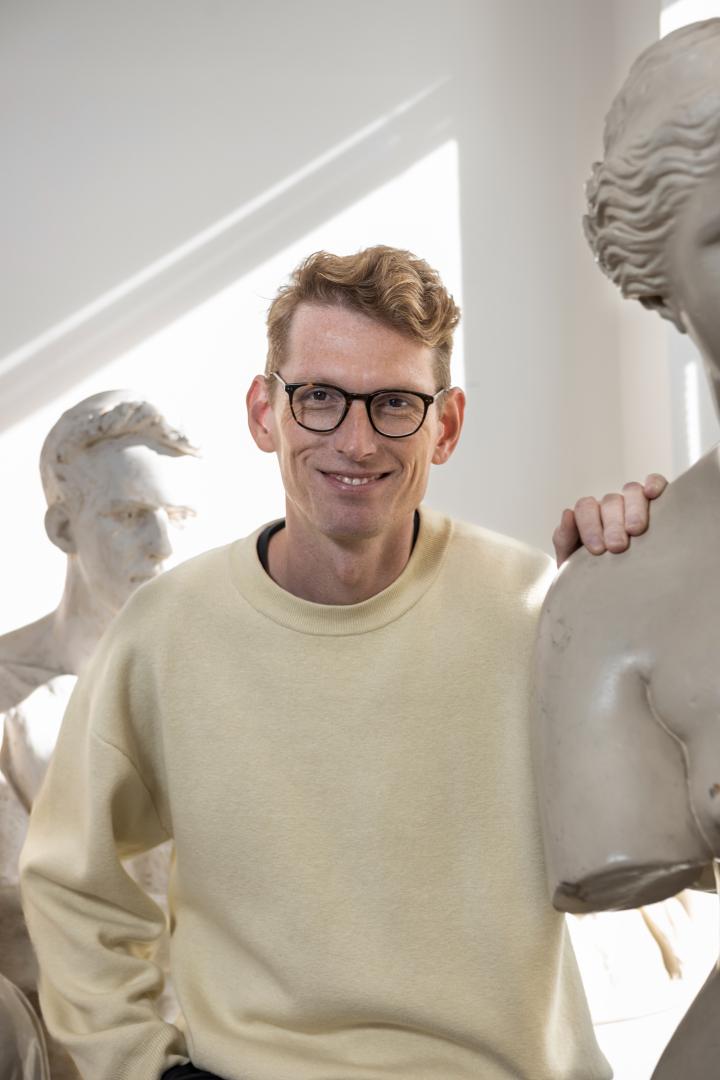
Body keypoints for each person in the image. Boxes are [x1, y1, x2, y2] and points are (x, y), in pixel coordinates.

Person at [20, 247, 661, 1080]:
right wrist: (143, 1068)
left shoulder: (539, 609)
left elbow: (690, 834)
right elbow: (74, 885)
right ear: (265, 413)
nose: (356, 442)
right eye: (320, 397)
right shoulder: (165, 633)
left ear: (446, 425)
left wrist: (657, 602)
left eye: (395, 403)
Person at [1, 390, 199, 1078]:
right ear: (64, 528)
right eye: (129, 515)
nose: (164, 546)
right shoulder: (10, 697)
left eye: (179, 516)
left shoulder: (226, 687)